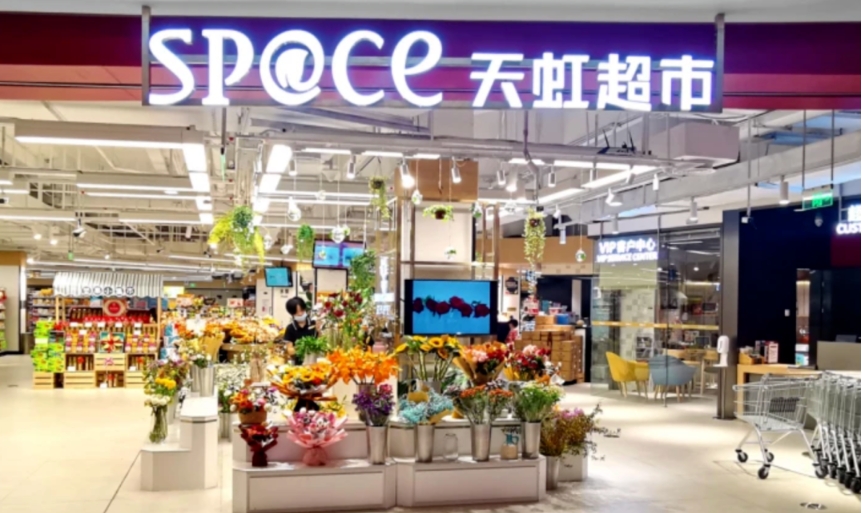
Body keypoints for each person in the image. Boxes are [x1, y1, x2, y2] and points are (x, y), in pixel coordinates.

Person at [283, 297, 317, 363]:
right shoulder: (290, 328)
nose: (300, 314)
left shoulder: (314, 324)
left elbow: (321, 341)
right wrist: (302, 348)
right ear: (292, 313)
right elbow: (290, 350)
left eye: (302, 310)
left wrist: (319, 330)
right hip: (299, 364)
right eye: (297, 312)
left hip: (315, 361)